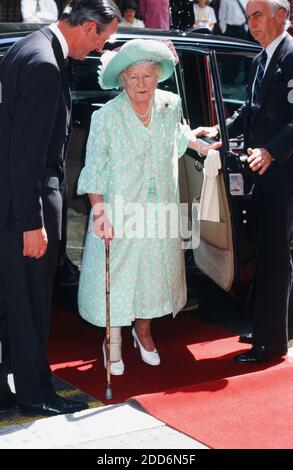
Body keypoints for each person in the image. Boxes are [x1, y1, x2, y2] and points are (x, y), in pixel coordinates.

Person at [0, 0, 121, 415]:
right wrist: (31, 223)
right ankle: (35, 393)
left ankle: (6, 387)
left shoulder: (26, 45)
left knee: (9, 303)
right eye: (102, 39)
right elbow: (26, 156)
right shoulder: (45, 65)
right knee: (31, 304)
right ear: (87, 26)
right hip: (25, 206)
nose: (99, 49)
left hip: (11, 202)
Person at [77, 38, 219, 375]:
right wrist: (99, 212)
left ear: (158, 77)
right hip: (119, 210)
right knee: (119, 277)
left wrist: (201, 146)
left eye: (147, 77)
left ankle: (144, 334)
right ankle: (112, 342)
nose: (141, 85)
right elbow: (94, 166)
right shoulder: (107, 117)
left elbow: (177, 136)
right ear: (122, 80)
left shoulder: (171, 104)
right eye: (133, 78)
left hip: (160, 210)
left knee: (154, 276)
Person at [196, 0, 293, 363]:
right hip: (260, 171)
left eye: (258, 15)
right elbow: (249, 111)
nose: (251, 23)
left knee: (274, 256)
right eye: (249, 16)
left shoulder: (290, 54)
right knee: (267, 253)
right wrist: (219, 130)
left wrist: (270, 151)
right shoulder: (259, 60)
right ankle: (272, 325)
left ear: (281, 16)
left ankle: (271, 345)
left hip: (283, 170)